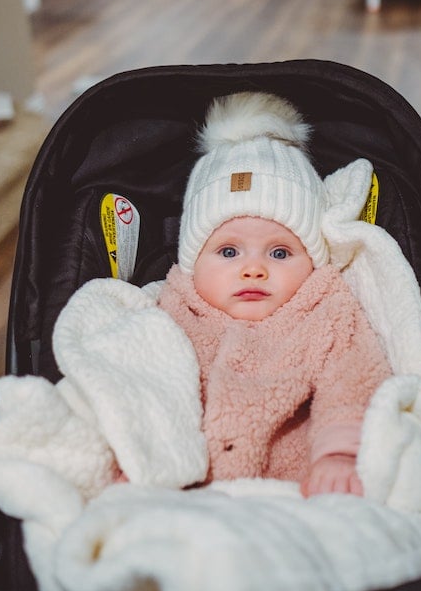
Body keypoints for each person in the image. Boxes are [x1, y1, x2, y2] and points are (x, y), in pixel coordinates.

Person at [158, 91, 392, 498]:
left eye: (280, 252)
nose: (253, 268)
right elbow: (144, 384)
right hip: (182, 479)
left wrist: (338, 456)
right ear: (192, 262)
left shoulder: (324, 309)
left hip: (294, 483)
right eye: (228, 252)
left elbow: (353, 380)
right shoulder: (172, 310)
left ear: (313, 259)